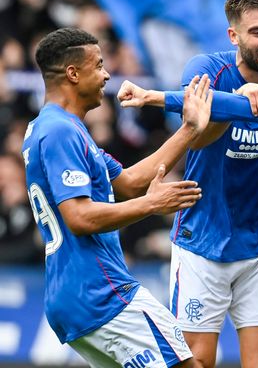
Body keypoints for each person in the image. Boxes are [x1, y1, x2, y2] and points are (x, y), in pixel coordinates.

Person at [119, 0, 258, 368]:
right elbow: (198, 121)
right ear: (233, 36)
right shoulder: (205, 69)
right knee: (196, 362)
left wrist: (154, 95)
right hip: (203, 243)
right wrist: (245, 99)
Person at [23, 27, 211, 367]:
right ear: (73, 73)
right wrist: (152, 205)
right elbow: (79, 218)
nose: (107, 74)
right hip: (101, 290)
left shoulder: (54, 128)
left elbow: (130, 183)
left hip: (74, 297)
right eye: (98, 65)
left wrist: (190, 129)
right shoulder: (61, 132)